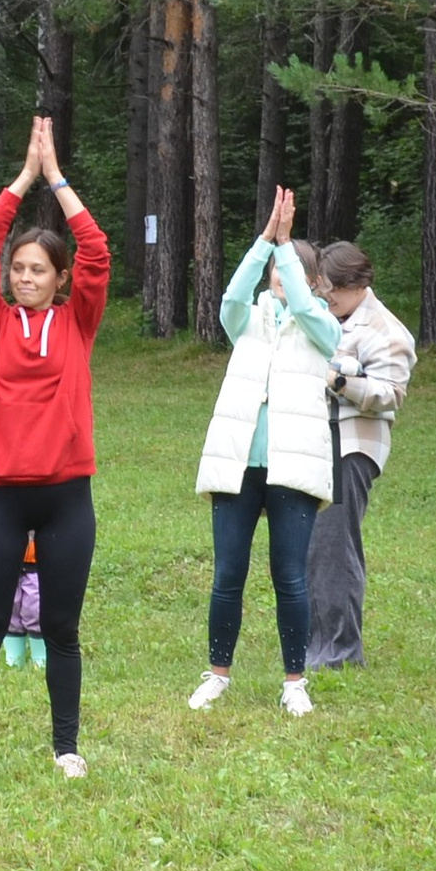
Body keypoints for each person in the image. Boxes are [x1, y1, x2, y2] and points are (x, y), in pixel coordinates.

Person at [0, 115, 109, 782]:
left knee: (61, 632)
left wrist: (58, 180)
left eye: (38, 269)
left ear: (58, 277)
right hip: (0, 497)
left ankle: (65, 748)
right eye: (18, 269)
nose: (24, 277)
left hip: (66, 498)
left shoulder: (77, 320)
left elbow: (97, 250)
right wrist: (21, 179)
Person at [192, 186, 337, 716]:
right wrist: (265, 241)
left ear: (311, 277)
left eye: (290, 265)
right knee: (228, 574)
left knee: (289, 576)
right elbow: (230, 298)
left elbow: (301, 300)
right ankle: (217, 674)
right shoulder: (247, 321)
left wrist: (287, 247)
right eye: (277, 265)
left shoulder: (321, 325)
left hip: (293, 469)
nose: (281, 271)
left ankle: (294, 681)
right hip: (238, 466)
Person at [303, 240, 416, 673]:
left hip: (351, 446)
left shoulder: (386, 330)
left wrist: (340, 383)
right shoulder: (328, 318)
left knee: (334, 547)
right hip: (317, 440)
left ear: (357, 283)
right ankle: (317, 642)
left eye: (331, 289)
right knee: (313, 547)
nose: (325, 297)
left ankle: (341, 651)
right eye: (320, 288)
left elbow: (391, 395)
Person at [1, 539, 44, 670]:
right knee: (9, 606)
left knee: (35, 607)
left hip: (38, 559)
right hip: (6, 555)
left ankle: (41, 659)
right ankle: (13, 660)